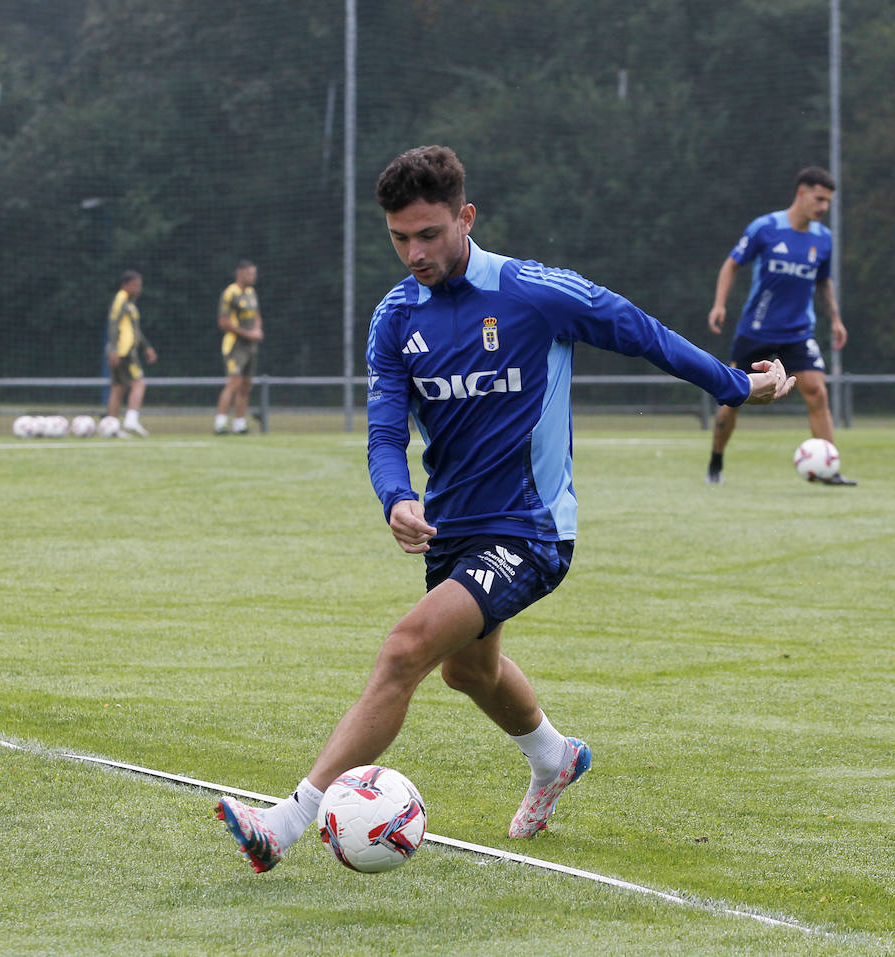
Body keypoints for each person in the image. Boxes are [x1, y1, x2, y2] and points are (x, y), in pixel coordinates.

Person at [215, 145, 796, 873]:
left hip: (532, 529)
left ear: (466, 217)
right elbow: (386, 431)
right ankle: (556, 758)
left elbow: (641, 331)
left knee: (405, 649)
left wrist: (736, 384)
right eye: (399, 237)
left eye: (429, 234)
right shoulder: (396, 317)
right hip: (450, 532)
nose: (414, 252)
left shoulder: (534, 292)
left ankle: (284, 824)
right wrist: (395, 496)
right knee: (467, 671)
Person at [705, 167, 855, 486]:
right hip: (756, 332)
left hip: (799, 332)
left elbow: (824, 282)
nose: (824, 207)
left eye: (829, 201)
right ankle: (716, 462)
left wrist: (836, 318)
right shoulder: (766, 228)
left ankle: (830, 469)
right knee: (734, 398)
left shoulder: (823, 239)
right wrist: (719, 304)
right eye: (819, 199)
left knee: (817, 392)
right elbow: (732, 265)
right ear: (801, 193)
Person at [214, 260, 264, 435]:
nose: (253, 277)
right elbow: (223, 322)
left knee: (246, 385)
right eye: (250, 274)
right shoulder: (230, 293)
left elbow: (257, 315)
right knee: (234, 383)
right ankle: (220, 423)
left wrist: (257, 329)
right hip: (234, 346)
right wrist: (249, 334)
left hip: (251, 347)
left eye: (254, 273)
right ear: (240, 274)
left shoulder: (251, 293)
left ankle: (239, 423)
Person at [105, 269, 157, 437]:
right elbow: (113, 323)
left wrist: (146, 347)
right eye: (135, 285)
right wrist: (114, 348)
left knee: (118, 388)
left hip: (122, 350)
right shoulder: (121, 299)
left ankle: (111, 428)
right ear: (125, 285)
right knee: (139, 383)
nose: (138, 289)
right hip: (124, 351)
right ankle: (131, 420)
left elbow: (135, 331)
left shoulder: (130, 304)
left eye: (139, 286)